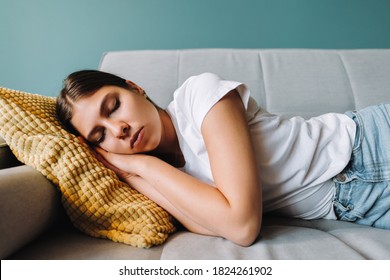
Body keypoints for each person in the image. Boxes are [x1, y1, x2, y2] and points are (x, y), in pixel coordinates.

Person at [56, 70, 390, 246]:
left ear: (135, 87)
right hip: (360, 206)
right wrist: (133, 175)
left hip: (370, 144)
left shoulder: (198, 95)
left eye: (113, 106)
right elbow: (220, 227)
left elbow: (242, 225)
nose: (119, 130)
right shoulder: (167, 177)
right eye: (100, 136)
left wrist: (139, 164)